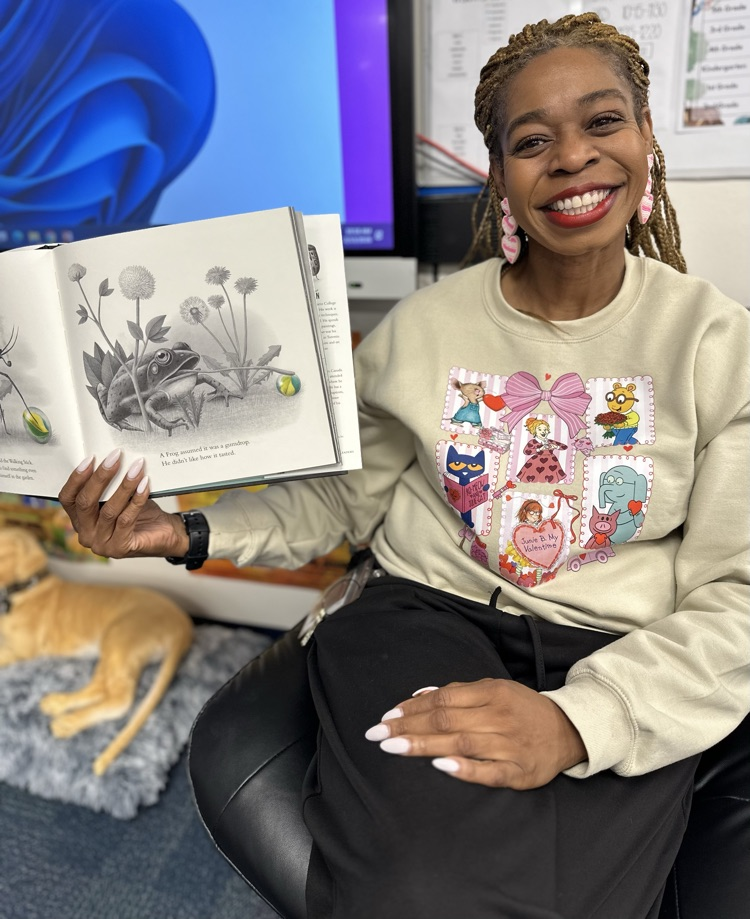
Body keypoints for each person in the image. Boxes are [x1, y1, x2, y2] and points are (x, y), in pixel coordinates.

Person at [59, 12, 749, 919]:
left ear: (647, 139)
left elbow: (735, 596)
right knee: (416, 891)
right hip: (426, 617)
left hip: (618, 647)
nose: (574, 157)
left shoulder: (717, 343)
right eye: (532, 140)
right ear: (498, 176)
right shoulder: (424, 327)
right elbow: (344, 499)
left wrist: (580, 721)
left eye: (603, 122)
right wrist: (188, 528)